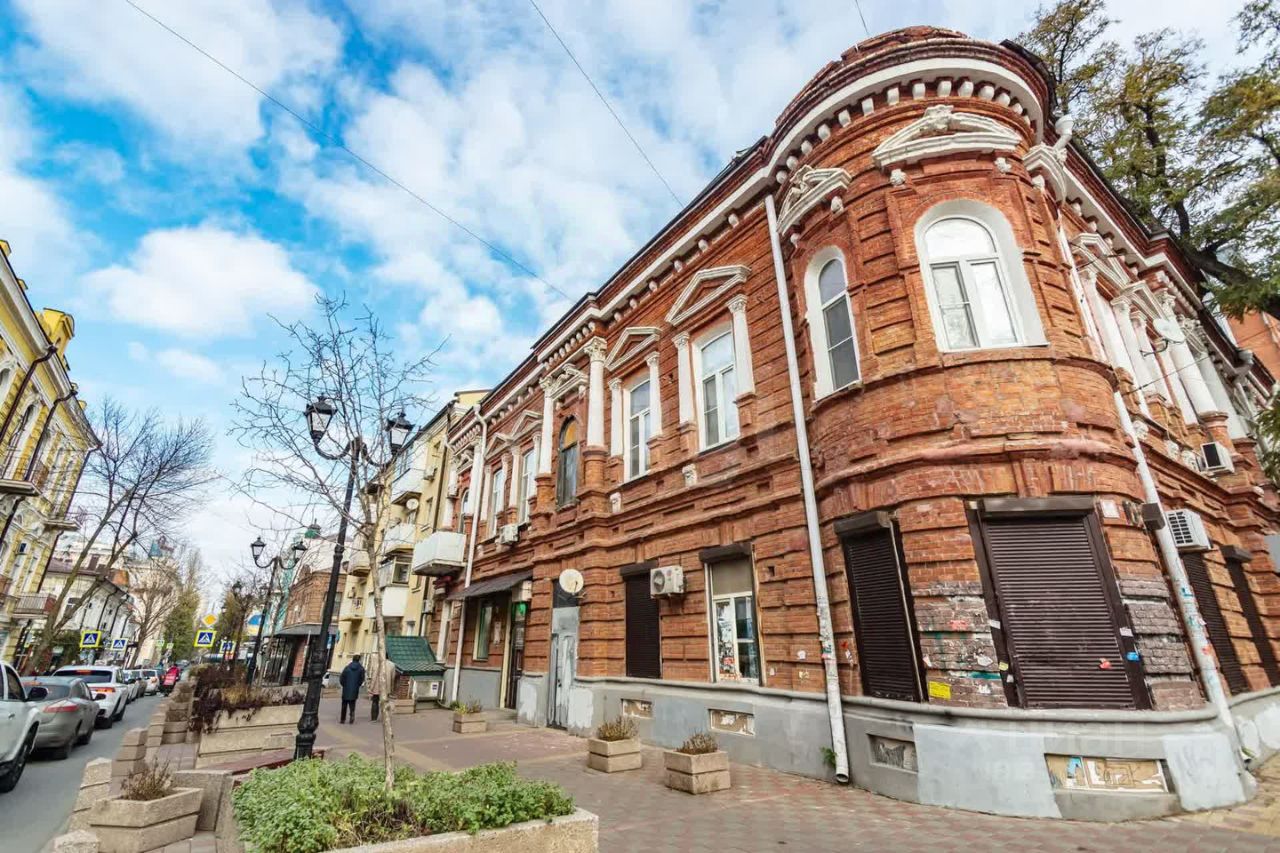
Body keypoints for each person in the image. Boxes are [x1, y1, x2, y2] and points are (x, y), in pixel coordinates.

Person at [338, 654, 365, 724]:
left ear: (352, 659)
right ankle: (352, 716)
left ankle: (342, 719)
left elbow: (342, 678)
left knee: (344, 705)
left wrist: (344, 685)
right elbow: (362, 679)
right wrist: (357, 685)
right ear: (359, 660)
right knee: (352, 704)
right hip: (354, 689)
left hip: (346, 689)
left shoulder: (347, 668)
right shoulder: (361, 669)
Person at [368, 651, 382, 722]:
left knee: (375, 702)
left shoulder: (377, 666)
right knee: (382, 702)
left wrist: (371, 688)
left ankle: (374, 717)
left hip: (377, 687)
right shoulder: (390, 664)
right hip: (385, 688)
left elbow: (374, 678)